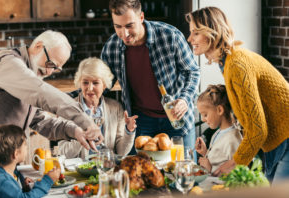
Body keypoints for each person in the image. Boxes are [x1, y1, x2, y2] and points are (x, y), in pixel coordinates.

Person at [186, 7, 289, 183]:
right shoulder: (228, 63)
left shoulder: (236, 65)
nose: (190, 39)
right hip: (278, 139)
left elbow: (258, 130)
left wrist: (234, 162)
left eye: (196, 33)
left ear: (212, 32)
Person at [101, 0, 200, 155]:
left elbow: (192, 72)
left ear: (141, 17)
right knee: (143, 173)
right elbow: (102, 84)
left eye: (129, 26)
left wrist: (185, 99)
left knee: (183, 172)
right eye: (118, 26)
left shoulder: (170, 36)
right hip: (141, 121)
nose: (124, 34)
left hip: (176, 119)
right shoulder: (111, 46)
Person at [0, 30, 103, 163]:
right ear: (38, 46)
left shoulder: (30, 74)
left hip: (5, 162)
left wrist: (75, 130)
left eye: (56, 69)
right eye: (50, 63)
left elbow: (38, 120)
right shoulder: (8, 63)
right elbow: (41, 92)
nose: (49, 72)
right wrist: (83, 119)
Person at [58, 57, 137, 159]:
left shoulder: (116, 108)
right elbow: (62, 151)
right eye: (85, 82)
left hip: (107, 167)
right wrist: (83, 137)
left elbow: (121, 152)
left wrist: (129, 131)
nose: (90, 88)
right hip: (78, 169)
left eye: (95, 83)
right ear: (80, 83)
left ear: (104, 85)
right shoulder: (68, 109)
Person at [0, 124, 61, 198]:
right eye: (25, 145)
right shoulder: (3, 181)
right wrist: (48, 180)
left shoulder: (1, 171)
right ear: (16, 154)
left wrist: (23, 186)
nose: (26, 148)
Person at [195, 84, 242, 173]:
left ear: (220, 110)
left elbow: (236, 174)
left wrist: (210, 169)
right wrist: (205, 153)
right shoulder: (218, 132)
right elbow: (218, 160)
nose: (202, 119)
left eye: (205, 115)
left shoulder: (233, 140)